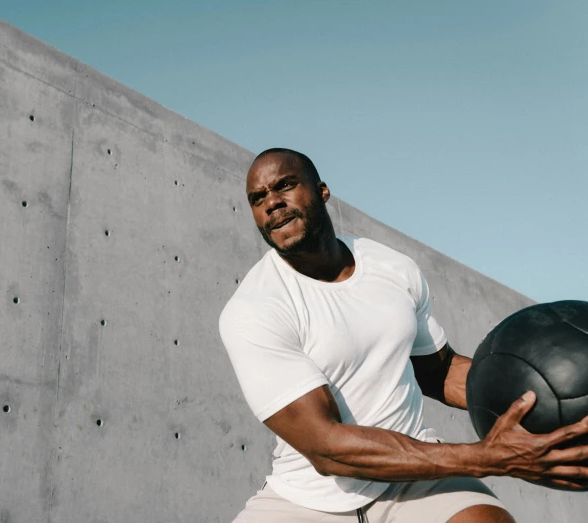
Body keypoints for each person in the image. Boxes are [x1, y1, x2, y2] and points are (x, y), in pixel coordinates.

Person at [218, 148, 588, 523]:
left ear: (322, 191)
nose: (272, 203)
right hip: (306, 496)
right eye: (258, 198)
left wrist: (547, 403)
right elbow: (327, 448)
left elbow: (439, 372)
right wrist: (487, 457)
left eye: (285, 186)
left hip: (414, 475)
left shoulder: (391, 268)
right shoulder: (254, 308)